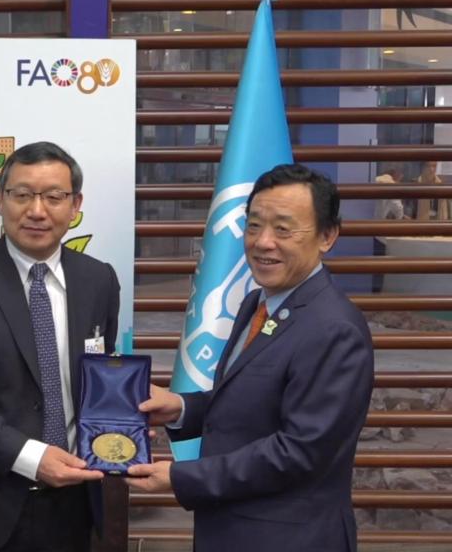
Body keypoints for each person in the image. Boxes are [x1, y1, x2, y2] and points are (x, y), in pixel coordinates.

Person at [126, 164, 374, 552]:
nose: (263, 242)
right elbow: (250, 403)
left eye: (283, 229)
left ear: (327, 236)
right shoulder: (257, 302)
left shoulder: (334, 329)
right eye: (254, 226)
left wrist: (181, 477)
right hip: (230, 530)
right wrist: (180, 408)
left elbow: (299, 452)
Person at [0, 141, 120, 552]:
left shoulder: (99, 279)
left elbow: (101, 374)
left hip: (72, 500)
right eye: (22, 194)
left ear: (75, 205)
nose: (37, 210)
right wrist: (31, 457)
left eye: (54, 197)